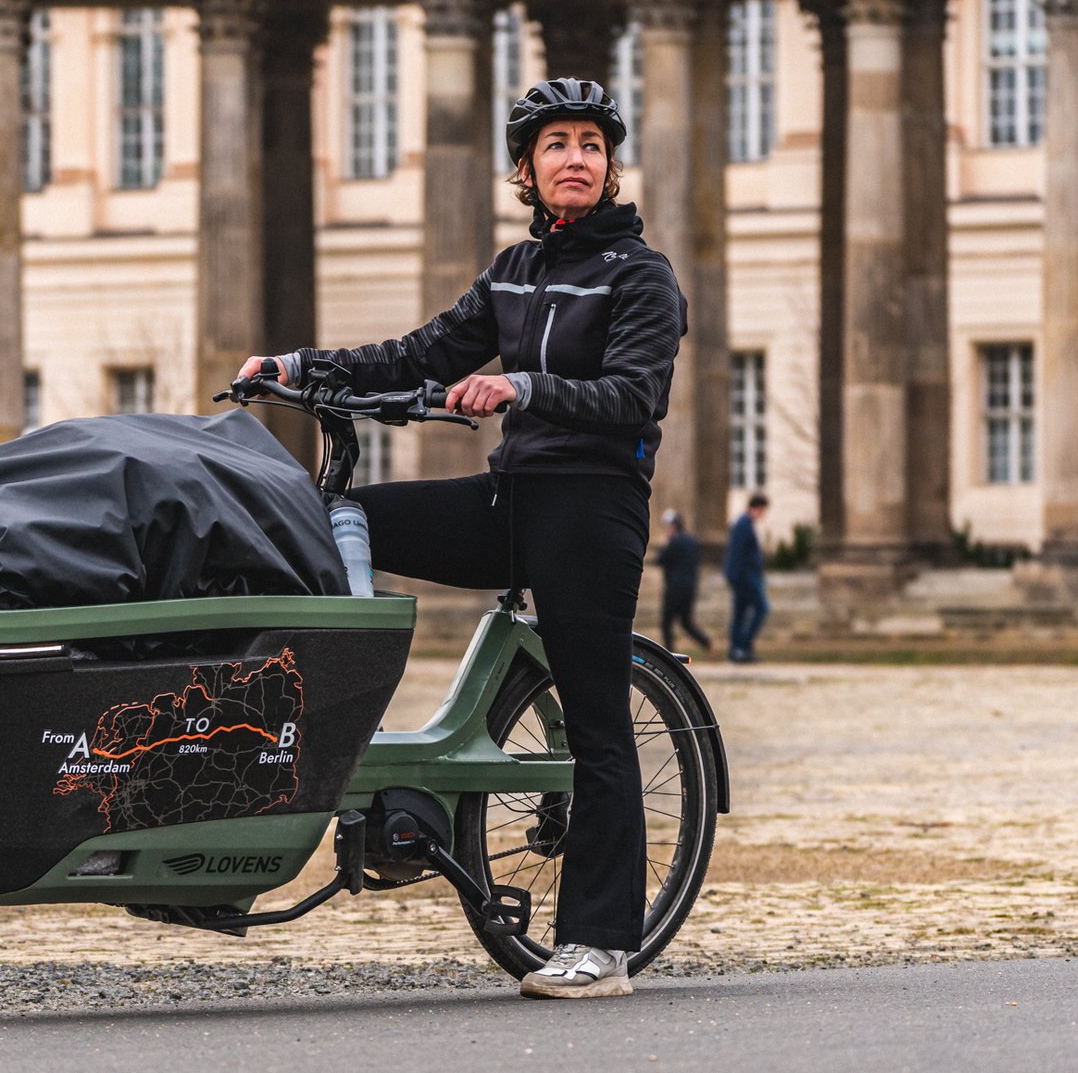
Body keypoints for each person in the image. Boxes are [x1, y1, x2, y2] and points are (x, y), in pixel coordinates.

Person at [239, 77, 685, 1000]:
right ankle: (343, 738)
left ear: (609, 169)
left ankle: (602, 945)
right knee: (341, 514)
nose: (577, 159)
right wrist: (298, 367)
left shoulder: (640, 275)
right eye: (557, 145)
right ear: (526, 168)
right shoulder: (513, 272)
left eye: (592, 146)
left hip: (592, 506)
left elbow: (633, 395)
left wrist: (526, 390)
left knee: (598, 719)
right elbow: (420, 355)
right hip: (511, 495)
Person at [722, 493, 770, 663]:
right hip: (744, 576)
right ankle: (743, 645)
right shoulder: (744, 524)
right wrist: (738, 577)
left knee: (740, 613)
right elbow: (738, 553)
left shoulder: (744, 523)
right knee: (762, 608)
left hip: (742, 575)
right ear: (758, 508)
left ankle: (737, 649)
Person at [655, 510, 711, 654]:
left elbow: (660, 559)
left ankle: (669, 654)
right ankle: (706, 642)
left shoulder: (674, 541)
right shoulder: (692, 541)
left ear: (673, 526)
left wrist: (664, 544)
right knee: (686, 622)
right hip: (690, 588)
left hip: (674, 588)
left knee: (666, 623)